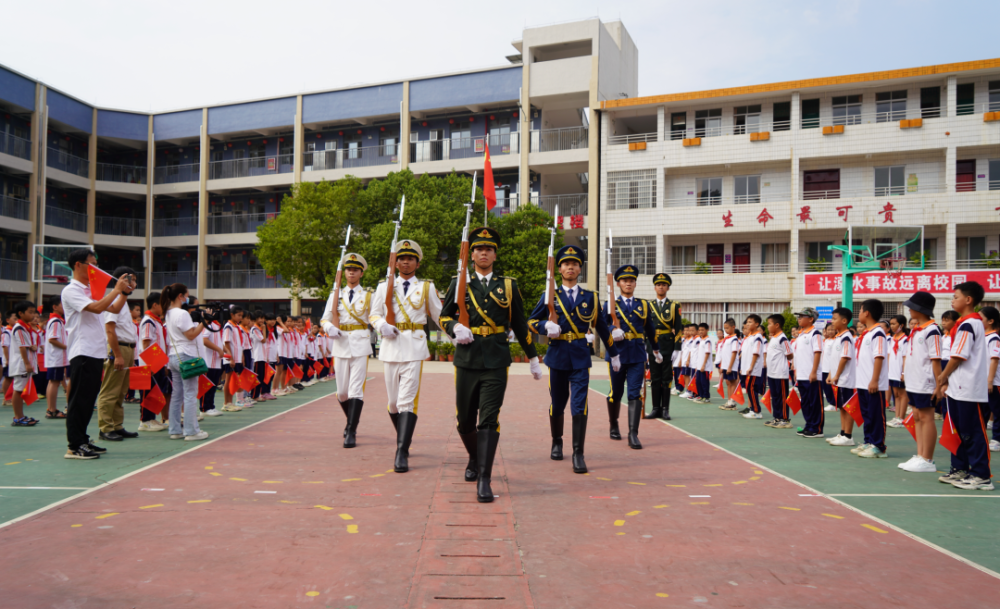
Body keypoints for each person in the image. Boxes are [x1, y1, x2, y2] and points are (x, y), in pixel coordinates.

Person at [440, 227, 543, 501]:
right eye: (478, 249)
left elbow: (520, 324)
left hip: (497, 360)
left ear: (495, 254)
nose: (483, 253)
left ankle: (484, 478)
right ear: (471, 253)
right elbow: (443, 316)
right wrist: (453, 329)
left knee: (488, 418)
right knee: (464, 422)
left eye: (488, 249)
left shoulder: (508, 285)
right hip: (466, 358)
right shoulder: (458, 282)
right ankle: (475, 457)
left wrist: (533, 357)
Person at [528, 245, 620, 474]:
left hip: (580, 357)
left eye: (575, 264)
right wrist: (543, 326)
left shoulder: (591, 297)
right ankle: (557, 441)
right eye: (566, 263)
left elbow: (602, 328)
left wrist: (615, 353)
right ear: (559, 268)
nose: (570, 267)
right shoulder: (550, 296)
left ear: (580, 269)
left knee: (579, 405)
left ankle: (578, 453)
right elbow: (530, 321)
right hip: (557, 356)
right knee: (558, 404)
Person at [369, 239, 443, 468]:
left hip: (414, 346)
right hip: (391, 346)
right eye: (402, 258)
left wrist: (458, 336)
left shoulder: (427, 287)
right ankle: (405, 438)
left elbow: (440, 317)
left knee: (406, 402)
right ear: (396, 262)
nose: (406, 262)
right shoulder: (383, 286)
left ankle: (401, 451)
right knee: (393, 403)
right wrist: (382, 326)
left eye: (410, 258)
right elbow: (373, 314)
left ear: (417, 263)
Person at [61, 248, 132, 459]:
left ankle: (82, 440)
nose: (96, 269)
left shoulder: (92, 289)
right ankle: (74, 446)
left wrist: (124, 293)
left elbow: (114, 309)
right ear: (78, 265)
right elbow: (98, 308)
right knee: (79, 400)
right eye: (92, 265)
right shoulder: (71, 290)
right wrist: (115, 289)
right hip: (82, 351)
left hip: (95, 352)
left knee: (87, 400)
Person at [936, 282, 992, 490]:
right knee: (958, 430)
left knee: (973, 431)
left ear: (968, 300)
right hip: (959, 387)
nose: (952, 300)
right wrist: (948, 382)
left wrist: (943, 376)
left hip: (969, 388)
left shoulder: (969, 323)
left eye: (955, 296)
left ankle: (981, 475)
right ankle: (960, 469)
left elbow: (959, 355)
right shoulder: (964, 323)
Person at [602, 264, 659, 447]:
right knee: (615, 392)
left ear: (635, 284)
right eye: (625, 281)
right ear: (618, 283)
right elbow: (601, 326)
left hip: (637, 354)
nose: (628, 283)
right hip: (616, 354)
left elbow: (650, 329)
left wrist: (656, 349)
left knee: (635, 393)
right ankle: (613, 424)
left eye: (631, 281)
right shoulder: (610, 305)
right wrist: (612, 329)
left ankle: (633, 433)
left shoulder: (643, 304)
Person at [321, 252, 373, 448]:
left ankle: (351, 430)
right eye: (349, 269)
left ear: (361, 273)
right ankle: (351, 420)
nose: (351, 272)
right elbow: (324, 318)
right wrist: (329, 328)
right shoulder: (336, 294)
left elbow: (375, 317)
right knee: (342, 393)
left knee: (355, 390)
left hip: (360, 344)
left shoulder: (369, 295)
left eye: (355, 270)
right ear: (345, 273)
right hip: (341, 344)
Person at [95, 267, 140, 442]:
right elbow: (110, 330)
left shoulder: (123, 302)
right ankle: (105, 428)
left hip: (127, 349)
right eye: (130, 279)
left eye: (135, 280)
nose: (133, 283)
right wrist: (118, 355)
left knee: (121, 391)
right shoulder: (112, 301)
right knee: (110, 390)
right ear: (120, 280)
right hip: (118, 349)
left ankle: (117, 425)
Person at [898, 291, 941, 472]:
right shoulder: (917, 330)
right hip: (914, 382)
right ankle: (920, 454)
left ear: (919, 309)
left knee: (926, 417)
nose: (909, 309)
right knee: (916, 416)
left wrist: (939, 385)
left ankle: (928, 459)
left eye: (911, 306)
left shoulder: (932, 330)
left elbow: (935, 359)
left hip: (926, 382)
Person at [161, 283, 208, 441]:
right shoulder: (182, 313)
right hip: (186, 355)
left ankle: (175, 430)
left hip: (173, 356)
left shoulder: (168, 313)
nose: (187, 298)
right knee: (189, 394)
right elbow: (191, 335)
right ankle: (191, 431)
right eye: (186, 295)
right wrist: (204, 322)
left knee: (177, 394)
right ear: (180, 296)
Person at [852, 299, 889, 459]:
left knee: (875, 415)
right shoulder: (867, 333)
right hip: (862, 382)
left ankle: (878, 446)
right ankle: (868, 441)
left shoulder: (878, 333)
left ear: (866, 313)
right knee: (867, 414)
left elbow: (879, 357)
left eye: (860, 311)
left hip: (873, 383)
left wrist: (874, 380)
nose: (858, 314)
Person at [645, 273, 681, 420]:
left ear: (668, 288)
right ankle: (655, 409)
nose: (661, 287)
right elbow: (644, 327)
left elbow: (678, 328)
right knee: (655, 378)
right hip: (652, 344)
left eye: (664, 285)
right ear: (655, 287)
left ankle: (665, 409)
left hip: (667, 345)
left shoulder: (674, 305)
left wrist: (677, 348)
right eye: (658, 285)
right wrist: (645, 347)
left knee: (666, 379)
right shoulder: (648, 305)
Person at [138, 292, 170, 432]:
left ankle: (151, 418)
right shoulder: (148, 321)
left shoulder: (156, 321)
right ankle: (144, 421)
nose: (165, 307)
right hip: (148, 364)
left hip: (157, 362)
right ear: (155, 305)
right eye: (163, 305)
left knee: (155, 391)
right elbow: (146, 343)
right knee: (147, 392)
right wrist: (150, 364)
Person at [827, 307, 857, 447]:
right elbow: (835, 359)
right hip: (838, 379)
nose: (832, 322)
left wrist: (837, 375)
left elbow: (845, 358)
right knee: (841, 407)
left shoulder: (846, 337)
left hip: (845, 379)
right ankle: (843, 433)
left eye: (834, 319)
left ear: (844, 321)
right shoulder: (838, 337)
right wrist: (830, 374)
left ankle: (848, 436)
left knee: (847, 407)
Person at [792, 307, 824, 439]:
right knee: (805, 402)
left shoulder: (815, 334)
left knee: (814, 402)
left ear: (811, 319)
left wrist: (814, 372)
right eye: (798, 316)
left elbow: (817, 352)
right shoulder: (801, 334)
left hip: (812, 375)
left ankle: (817, 428)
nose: (799, 318)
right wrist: (796, 370)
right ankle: (808, 425)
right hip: (802, 374)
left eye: (802, 316)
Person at [9, 300, 39, 427]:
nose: (33, 315)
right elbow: (22, 346)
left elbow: (26, 345)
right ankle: (18, 417)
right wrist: (27, 364)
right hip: (21, 364)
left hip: (24, 363)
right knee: (18, 390)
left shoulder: (25, 327)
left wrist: (32, 347)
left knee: (20, 389)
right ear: (21, 313)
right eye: (30, 312)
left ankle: (20, 416)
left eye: (34, 312)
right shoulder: (20, 327)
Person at [764, 314, 794, 429]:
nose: (768, 326)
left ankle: (785, 419)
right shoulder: (774, 338)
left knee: (782, 397)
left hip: (780, 373)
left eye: (770, 324)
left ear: (777, 325)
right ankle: (777, 417)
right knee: (775, 397)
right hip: (772, 373)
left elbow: (789, 354)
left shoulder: (782, 338)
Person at [44, 296, 68, 419]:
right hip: (56, 357)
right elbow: (53, 339)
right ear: (55, 307)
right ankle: (52, 410)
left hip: (56, 357)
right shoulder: (55, 321)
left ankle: (51, 409)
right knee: (54, 382)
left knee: (54, 382)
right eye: (62, 304)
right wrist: (67, 347)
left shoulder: (58, 320)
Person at [738, 314, 766, 420]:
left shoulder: (758, 337)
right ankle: (753, 409)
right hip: (747, 368)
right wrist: (743, 367)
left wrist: (751, 366)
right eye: (747, 322)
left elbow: (756, 353)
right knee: (749, 389)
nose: (748, 324)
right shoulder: (749, 337)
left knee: (752, 389)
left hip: (753, 369)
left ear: (757, 324)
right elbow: (745, 353)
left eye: (750, 322)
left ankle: (757, 411)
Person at [200, 306, 225, 415]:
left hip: (217, 361)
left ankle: (211, 406)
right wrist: (218, 349)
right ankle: (204, 408)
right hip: (208, 360)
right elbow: (204, 340)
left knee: (213, 384)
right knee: (207, 385)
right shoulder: (208, 325)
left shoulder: (217, 326)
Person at [981, 306, 1000, 454]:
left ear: (991, 321)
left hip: (994, 382)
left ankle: (997, 439)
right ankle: (984, 438)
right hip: (984, 381)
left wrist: (989, 380)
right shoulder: (984, 336)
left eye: (981, 318)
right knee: (984, 410)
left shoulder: (994, 337)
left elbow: (994, 360)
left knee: (997, 410)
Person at [887, 315, 910, 428]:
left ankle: (902, 418)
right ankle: (897, 417)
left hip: (900, 371)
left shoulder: (905, 339)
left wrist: (904, 372)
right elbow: (889, 355)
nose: (892, 326)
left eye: (894, 324)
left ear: (901, 325)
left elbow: (905, 357)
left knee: (902, 395)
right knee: (895, 395)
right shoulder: (892, 338)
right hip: (892, 371)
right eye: (890, 324)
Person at [221, 306, 245, 411]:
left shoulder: (236, 326)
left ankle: (231, 402)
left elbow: (239, 344)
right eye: (238, 315)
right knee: (228, 379)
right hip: (231, 358)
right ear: (232, 315)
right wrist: (231, 358)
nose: (240, 317)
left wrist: (241, 357)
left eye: (241, 315)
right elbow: (226, 342)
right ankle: (227, 403)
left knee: (234, 380)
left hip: (237, 358)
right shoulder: (228, 326)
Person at [717, 318, 740, 411]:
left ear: (733, 327)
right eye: (724, 328)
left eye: (727, 328)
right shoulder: (727, 339)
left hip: (731, 366)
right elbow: (724, 353)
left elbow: (734, 353)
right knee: (728, 383)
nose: (725, 330)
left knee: (732, 383)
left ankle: (732, 402)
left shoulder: (734, 339)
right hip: (726, 366)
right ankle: (729, 400)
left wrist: (730, 366)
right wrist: (722, 366)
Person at [125, 302, 142, 403]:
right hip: (133, 353)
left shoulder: (136, 323)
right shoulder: (128, 323)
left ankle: (131, 395)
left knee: (136, 376)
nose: (139, 312)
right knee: (130, 376)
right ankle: (128, 396)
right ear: (130, 311)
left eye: (139, 310)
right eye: (137, 310)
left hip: (138, 354)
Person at [693, 323, 713, 403]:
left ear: (707, 330)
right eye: (699, 330)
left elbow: (707, 353)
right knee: (698, 382)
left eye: (703, 330)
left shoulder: (707, 341)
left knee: (704, 382)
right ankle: (701, 395)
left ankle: (706, 397)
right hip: (699, 365)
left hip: (705, 366)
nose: (701, 331)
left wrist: (704, 365)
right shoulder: (700, 340)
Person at [821, 324, 838, 413]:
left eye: (832, 329)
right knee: (825, 387)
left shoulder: (836, 341)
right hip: (824, 368)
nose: (830, 331)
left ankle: (833, 403)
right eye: (828, 330)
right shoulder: (826, 340)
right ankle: (830, 402)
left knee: (831, 387)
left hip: (831, 369)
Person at [1, 310, 14, 406]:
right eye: (15, 319)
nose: (17, 321)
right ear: (8, 320)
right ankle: (6, 398)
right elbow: (5, 346)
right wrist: (8, 359)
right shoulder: (6, 332)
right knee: (8, 379)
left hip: (14, 359)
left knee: (12, 379)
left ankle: (10, 397)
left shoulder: (14, 330)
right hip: (9, 360)